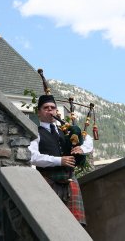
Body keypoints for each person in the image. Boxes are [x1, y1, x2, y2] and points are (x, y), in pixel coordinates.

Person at [28, 94, 93, 226]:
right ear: (39, 112)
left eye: (53, 108)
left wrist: (82, 149)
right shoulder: (35, 132)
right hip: (48, 180)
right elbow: (32, 157)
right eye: (46, 108)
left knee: (75, 225)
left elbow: (88, 139)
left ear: (56, 111)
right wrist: (59, 160)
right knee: (52, 223)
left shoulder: (65, 131)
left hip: (70, 180)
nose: (50, 110)